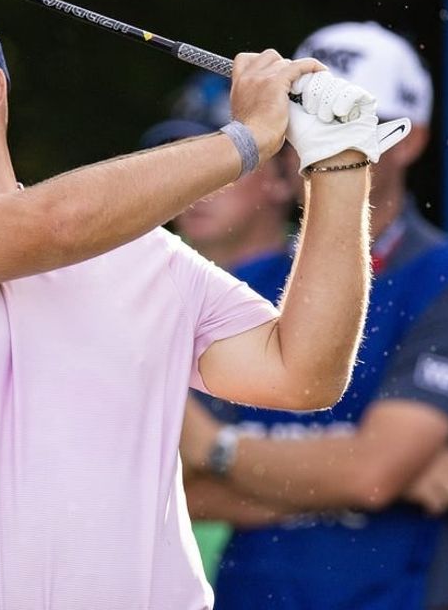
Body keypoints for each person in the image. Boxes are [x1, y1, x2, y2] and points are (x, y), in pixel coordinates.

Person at [0, 0, 410, 609]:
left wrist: (340, 165)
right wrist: (247, 138)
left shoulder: (140, 253)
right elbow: (50, 224)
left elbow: (301, 373)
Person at [180, 22, 448, 609]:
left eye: (341, 120)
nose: (306, 140)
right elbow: (176, 489)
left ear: (411, 139)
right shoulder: (254, 279)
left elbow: (371, 471)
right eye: (298, 120)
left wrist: (221, 451)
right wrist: (366, 481)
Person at [140, 72, 300, 584]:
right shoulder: (129, 281)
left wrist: (208, 452)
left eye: (230, 156)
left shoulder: (337, 285)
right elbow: (106, 481)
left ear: (280, 177)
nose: (198, 181)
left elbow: (375, 464)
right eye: (183, 157)